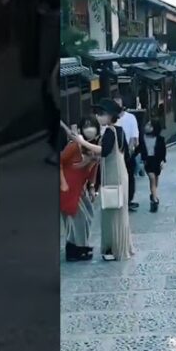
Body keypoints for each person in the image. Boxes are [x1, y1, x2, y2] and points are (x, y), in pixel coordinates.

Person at [75, 99, 132, 261]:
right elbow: (123, 154)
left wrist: (82, 142)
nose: (98, 117)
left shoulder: (109, 132)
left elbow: (104, 151)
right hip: (121, 172)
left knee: (111, 210)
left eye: (101, 114)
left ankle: (112, 248)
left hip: (113, 174)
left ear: (109, 116)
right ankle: (121, 245)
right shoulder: (119, 131)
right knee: (119, 210)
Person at [60, 117, 100, 261]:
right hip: (68, 188)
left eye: (92, 125)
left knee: (88, 214)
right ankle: (74, 249)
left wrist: (91, 187)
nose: (89, 128)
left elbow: (92, 171)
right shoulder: (73, 146)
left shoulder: (94, 148)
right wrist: (63, 183)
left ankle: (80, 245)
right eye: (87, 125)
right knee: (77, 218)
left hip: (80, 187)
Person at [112, 95, 139, 212]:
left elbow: (134, 137)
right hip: (113, 154)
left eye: (119, 104)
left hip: (127, 153)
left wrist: (130, 151)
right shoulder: (110, 119)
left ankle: (128, 199)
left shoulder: (130, 118)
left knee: (129, 177)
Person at [137, 118, 167, 213]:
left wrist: (163, 161)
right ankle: (155, 199)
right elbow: (138, 149)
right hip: (148, 161)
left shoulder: (160, 139)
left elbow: (163, 151)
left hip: (156, 161)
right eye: (147, 125)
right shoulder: (142, 138)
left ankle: (153, 195)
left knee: (155, 181)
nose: (147, 127)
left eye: (150, 125)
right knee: (152, 178)